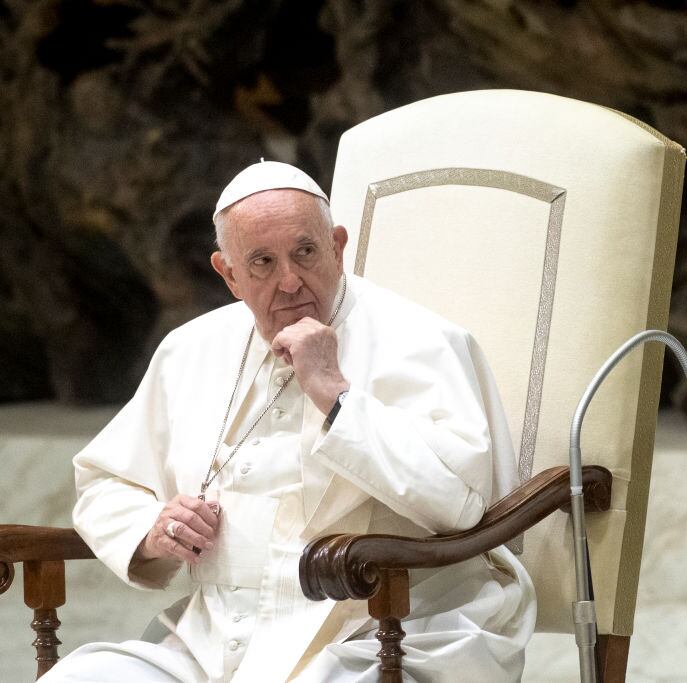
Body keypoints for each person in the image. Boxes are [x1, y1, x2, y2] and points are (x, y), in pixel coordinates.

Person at [42, 161, 536, 682]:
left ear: (338, 247)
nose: (289, 281)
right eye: (261, 262)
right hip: (213, 644)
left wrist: (336, 396)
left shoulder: (424, 341)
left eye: (305, 252)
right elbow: (103, 482)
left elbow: (462, 501)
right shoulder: (189, 350)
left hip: (385, 632)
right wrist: (156, 530)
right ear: (227, 274)